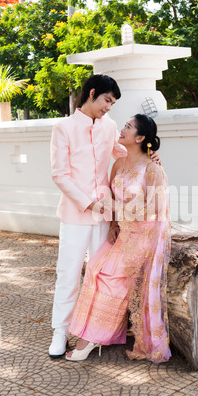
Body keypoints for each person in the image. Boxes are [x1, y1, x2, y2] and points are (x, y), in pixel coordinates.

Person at [49, 75, 160, 359]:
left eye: (113, 103)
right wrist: (89, 204)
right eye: (107, 100)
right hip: (76, 214)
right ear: (93, 93)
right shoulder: (63, 128)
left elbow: (126, 153)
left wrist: (151, 156)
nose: (109, 107)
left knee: (99, 275)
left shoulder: (109, 127)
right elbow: (59, 175)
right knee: (68, 274)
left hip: (105, 216)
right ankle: (60, 332)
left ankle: (92, 332)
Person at [66, 114, 172, 364]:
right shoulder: (119, 164)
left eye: (128, 127)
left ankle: (91, 339)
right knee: (93, 267)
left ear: (140, 137)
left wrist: (117, 211)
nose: (122, 129)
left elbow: (156, 208)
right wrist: (114, 223)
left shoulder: (153, 169)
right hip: (124, 232)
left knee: (111, 278)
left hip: (144, 236)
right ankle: (94, 333)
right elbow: (113, 196)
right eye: (123, 125)